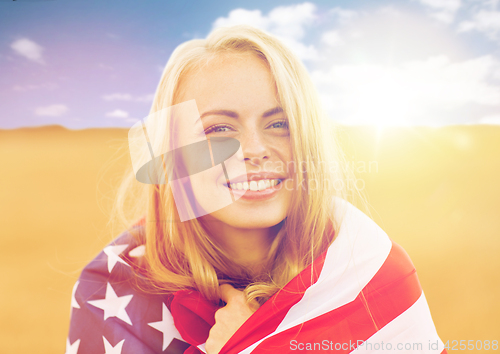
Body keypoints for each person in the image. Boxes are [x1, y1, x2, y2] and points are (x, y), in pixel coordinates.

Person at [66, 25, 447, 354]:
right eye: (218, 129)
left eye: (279, 123)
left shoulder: (370, 270)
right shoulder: (113, 293)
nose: (255, 150)